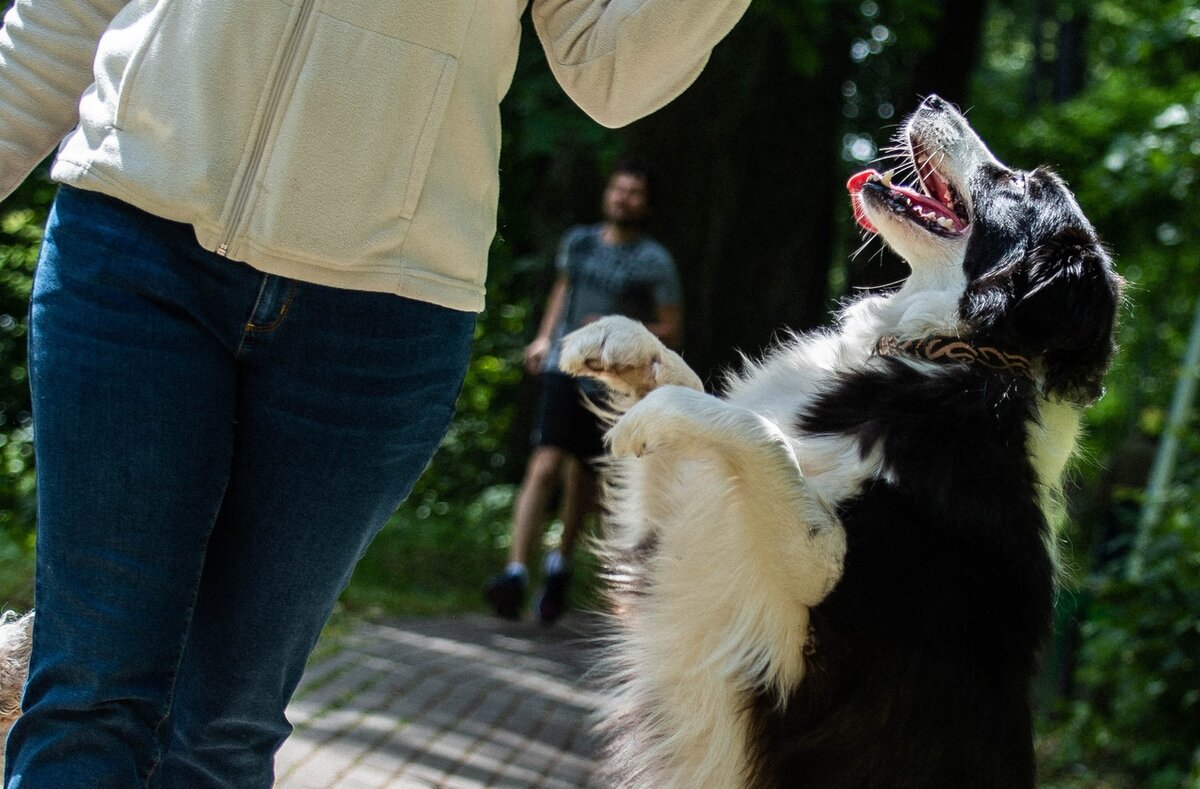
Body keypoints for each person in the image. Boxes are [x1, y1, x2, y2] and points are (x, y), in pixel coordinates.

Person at [0, 0, 751, 784]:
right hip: (132, 233)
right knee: (87, 690)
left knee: (221, 723)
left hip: (382, 311)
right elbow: (64, 12)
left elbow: (611, 72)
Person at [485, 162, 682, 624]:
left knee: (583, 477)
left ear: (646, 204)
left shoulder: (655, 262)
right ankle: (515, 571)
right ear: (606, 193)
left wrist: (623, 329)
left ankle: (560, 565)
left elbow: (672, 328)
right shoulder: (579, 243)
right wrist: (542, 337)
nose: (623, 198)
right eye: (618, 188)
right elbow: (562, 291)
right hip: (563, 367)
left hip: (611, 384)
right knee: (545, 463)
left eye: (634, 192)